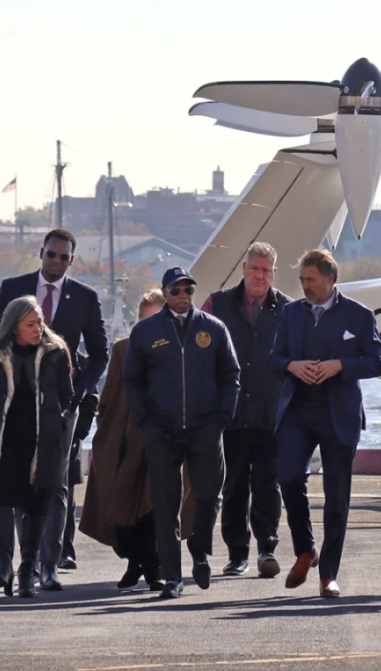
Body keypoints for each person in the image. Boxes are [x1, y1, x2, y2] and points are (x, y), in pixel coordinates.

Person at [0, 228, 108, 590]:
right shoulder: (14, 288)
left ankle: (51, 562)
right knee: (19, 480)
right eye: (51, 254)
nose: (56, 261)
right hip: (20, 402)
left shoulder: (85, 297)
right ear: (41, 253)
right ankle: (21, 562)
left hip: (62, 405)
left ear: (72, 261)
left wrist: (79, 389)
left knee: (57, 484)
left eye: (64, 257)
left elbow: (101, 353)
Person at [270, 249, 381, 598]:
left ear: (330, 279)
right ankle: (306, 548)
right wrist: (292, 366)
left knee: (337, 499)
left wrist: (341, 365)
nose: (304, 285)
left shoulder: (360, 315)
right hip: (298, 413)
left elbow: (378, 362)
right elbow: (274, 357)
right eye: (302, 280)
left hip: (340, 415)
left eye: (310, 280)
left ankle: (328, 574)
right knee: (288, 477)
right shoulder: (291, 314)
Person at [122, 267, 239, 599]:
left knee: (208, 495)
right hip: (161, 429)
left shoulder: (213, 329)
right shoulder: (145, 332)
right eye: (176, 291)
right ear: (165, 294)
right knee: (165, 504)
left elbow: (231, 373)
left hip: (206, 427)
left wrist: (223, 416)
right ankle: (172, 577)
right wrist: (145, 418)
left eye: (189, 290)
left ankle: (199, 550)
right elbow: (132, 379)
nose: (184, 296)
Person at [79, 290, 191, 592]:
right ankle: (136, 561)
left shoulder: (180, 349)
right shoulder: (122, 349)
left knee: (155, 507)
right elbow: (111, 395)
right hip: (126, 440)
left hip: (164, 440)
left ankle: (152, 567)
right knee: (121, 508)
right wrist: (106, 434)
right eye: (146, 319)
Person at [0, 296, 76, 598]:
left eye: (40, 322)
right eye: (30, 324)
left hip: (41, 442)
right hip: (5, 442)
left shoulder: (55, 354)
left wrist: (58, 423)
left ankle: (27, 571)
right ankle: (4, 566)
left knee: (36, 506)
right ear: (14, 327)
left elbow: (68, 395)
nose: (38, 329)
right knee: (3, 501)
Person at [201, 242, 290, 578]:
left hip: (272, 414)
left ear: (274, 273)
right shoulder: (218, 304)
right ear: (243, 268)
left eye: (266, 270)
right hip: (231, 414)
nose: (259, 275)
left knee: (269, 485)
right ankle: (237, 553)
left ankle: (267, 547)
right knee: (234, 486)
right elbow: (200, 353)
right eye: (254, 268)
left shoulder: (287, 309)